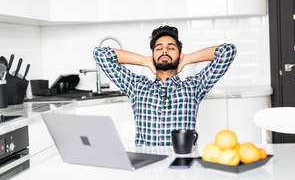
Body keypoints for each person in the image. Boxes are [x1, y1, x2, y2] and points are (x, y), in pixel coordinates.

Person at [93, 25, 237, 146]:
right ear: (153, 55)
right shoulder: (137, 86)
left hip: (183, 164)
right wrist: (145, 61)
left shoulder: (193, 86)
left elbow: (227, 51)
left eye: (171, 48)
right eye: (159, 48)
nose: (164, 50)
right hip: (147, 168)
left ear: (179, 55)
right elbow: (100, 54)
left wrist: (187, 59)